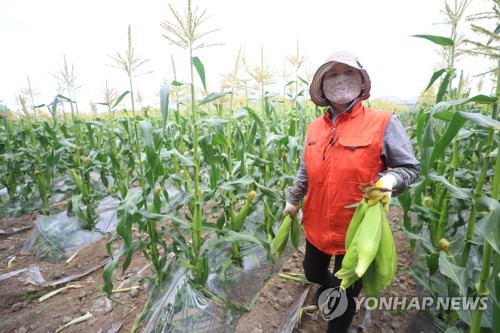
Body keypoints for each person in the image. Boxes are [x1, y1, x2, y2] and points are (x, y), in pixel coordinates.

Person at [283, 50, 420, 333]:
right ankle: (334, 292)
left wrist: (389, 181)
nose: (340, 79)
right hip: (318, 223)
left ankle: (341, 315)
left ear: (361, 81)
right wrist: (293, 200)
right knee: (312, 271)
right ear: (321, 86)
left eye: (349, 72)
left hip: (359, 230)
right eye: (332, 74)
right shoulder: (314, 128)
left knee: (345, 297)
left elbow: (409, 167)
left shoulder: (383, 121)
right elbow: (304, 171)